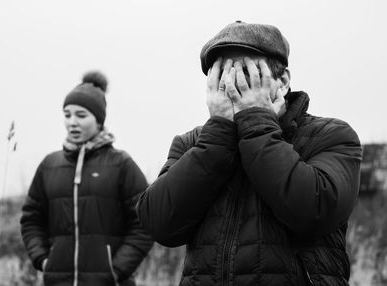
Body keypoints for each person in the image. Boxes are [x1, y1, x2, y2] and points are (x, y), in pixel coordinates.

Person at [137, 21, 362, 285]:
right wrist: (219, 134)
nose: (234, 84)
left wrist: (256, 122)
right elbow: (159, 224)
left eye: (247, 71)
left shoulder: (331, 135)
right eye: (222, 73)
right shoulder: (193, 143)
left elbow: (315, 211)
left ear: (283, 81)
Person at [20, 71, 153, 286]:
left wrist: (116, 270)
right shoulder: (49, 165)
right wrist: (44, 260)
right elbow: (31, 220)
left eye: (81, 115)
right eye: (67, 114)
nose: (72, 122)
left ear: (99, 120)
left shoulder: (121, 164)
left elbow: (145, 223)